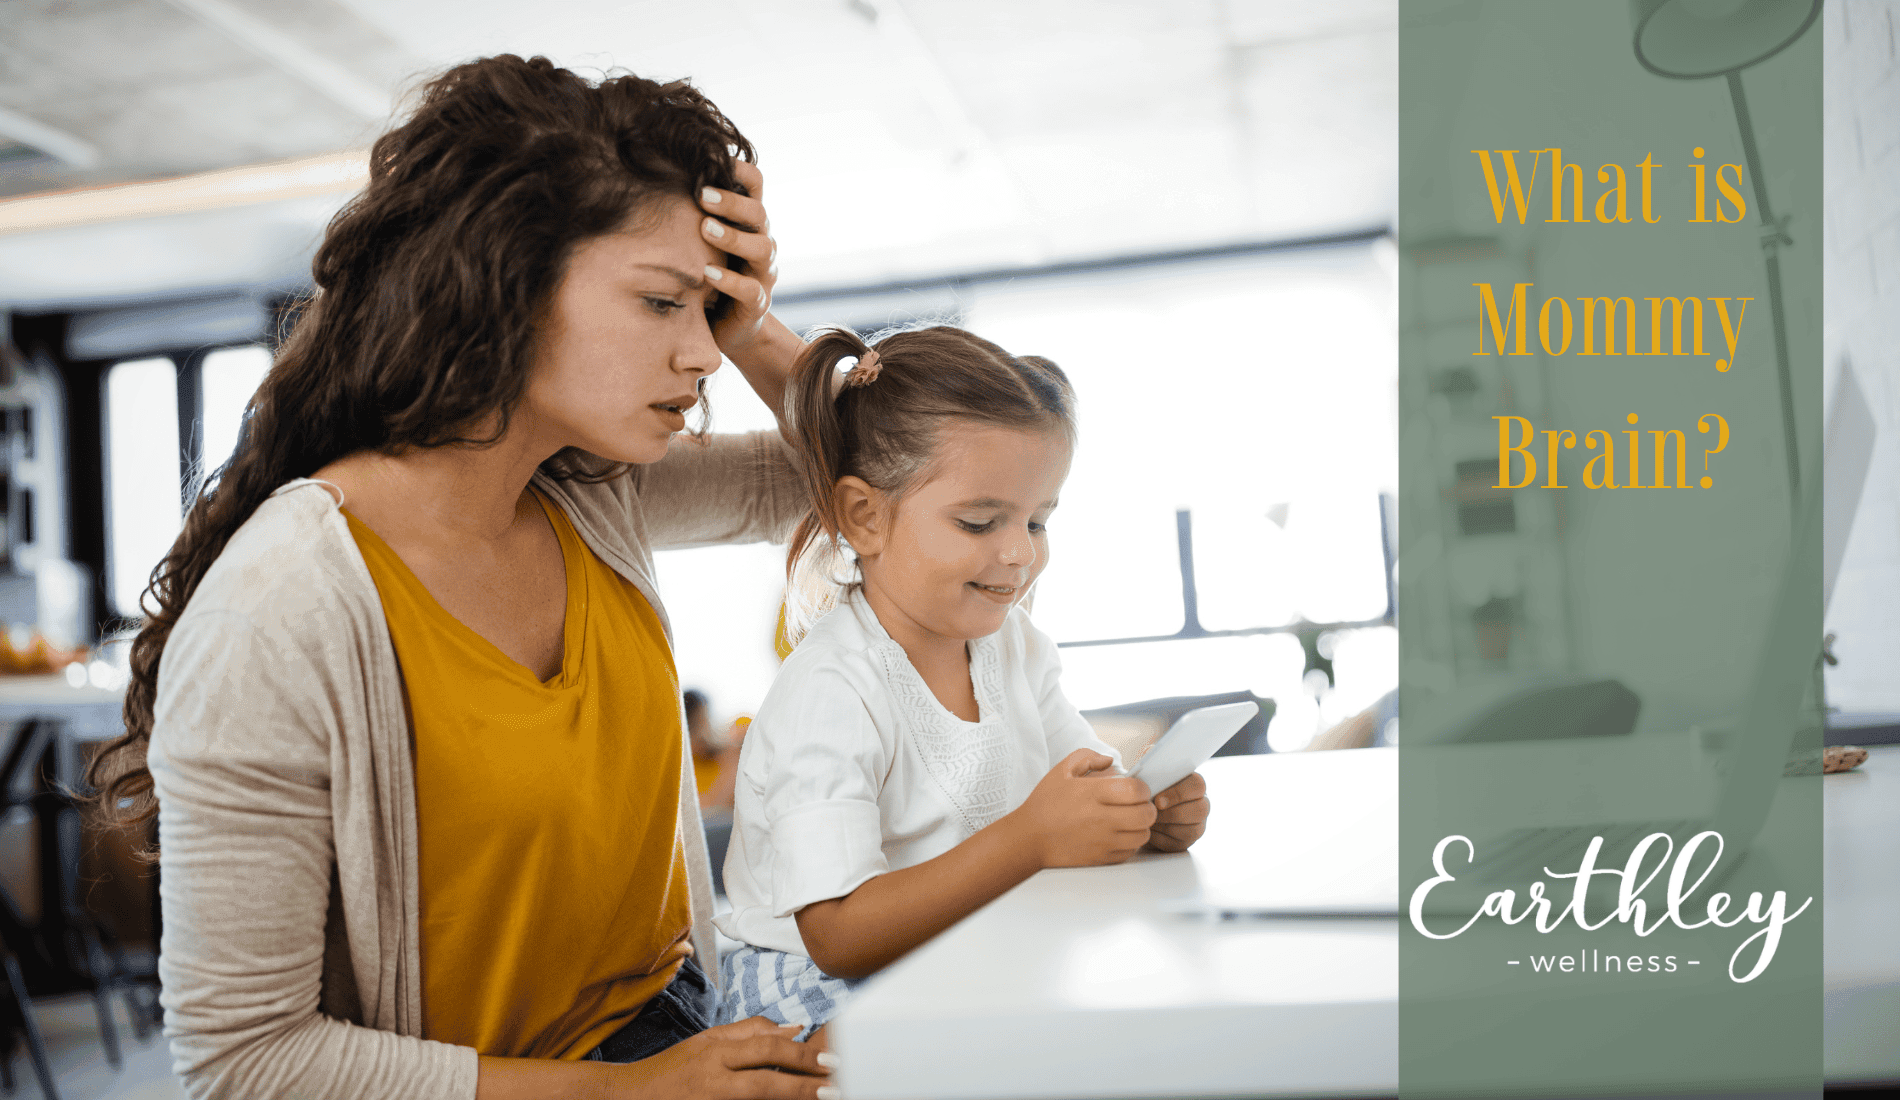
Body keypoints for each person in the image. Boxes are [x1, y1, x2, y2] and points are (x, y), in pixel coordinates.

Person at [85, 55, 837, 1100]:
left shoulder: (586, 493)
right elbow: (246, 1060)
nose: (701, 353)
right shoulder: (279, 611)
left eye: (705, 312)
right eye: (663, 302)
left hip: (681, 1030)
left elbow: (866, 481)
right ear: (506, 283)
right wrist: (632, 1092)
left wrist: (755, 328)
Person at [715, 326, 1213, 1039]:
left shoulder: (1016, 648)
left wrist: (1140, 814)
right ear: (865, 518)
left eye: (1037, 522)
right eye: (980, 523)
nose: (1019, 554)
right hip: (815, 985)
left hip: (959, 951)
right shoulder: (832, 688)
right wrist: (1029, 840)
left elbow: (1080, 786)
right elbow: (838, 935)